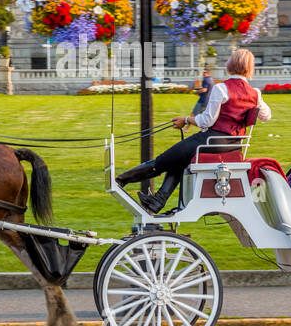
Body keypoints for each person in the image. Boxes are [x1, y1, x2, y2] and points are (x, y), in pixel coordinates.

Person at [116, 48, 271, 214]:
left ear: (230, 65)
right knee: (179, 159)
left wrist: (187, 120)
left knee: (165, 159)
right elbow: (266, 116)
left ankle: (121, 180)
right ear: (250, 68)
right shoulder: (255, 93)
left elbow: (207, 120)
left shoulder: (222, 89)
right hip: (234, 145)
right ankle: (158, 200)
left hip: (211, 141)